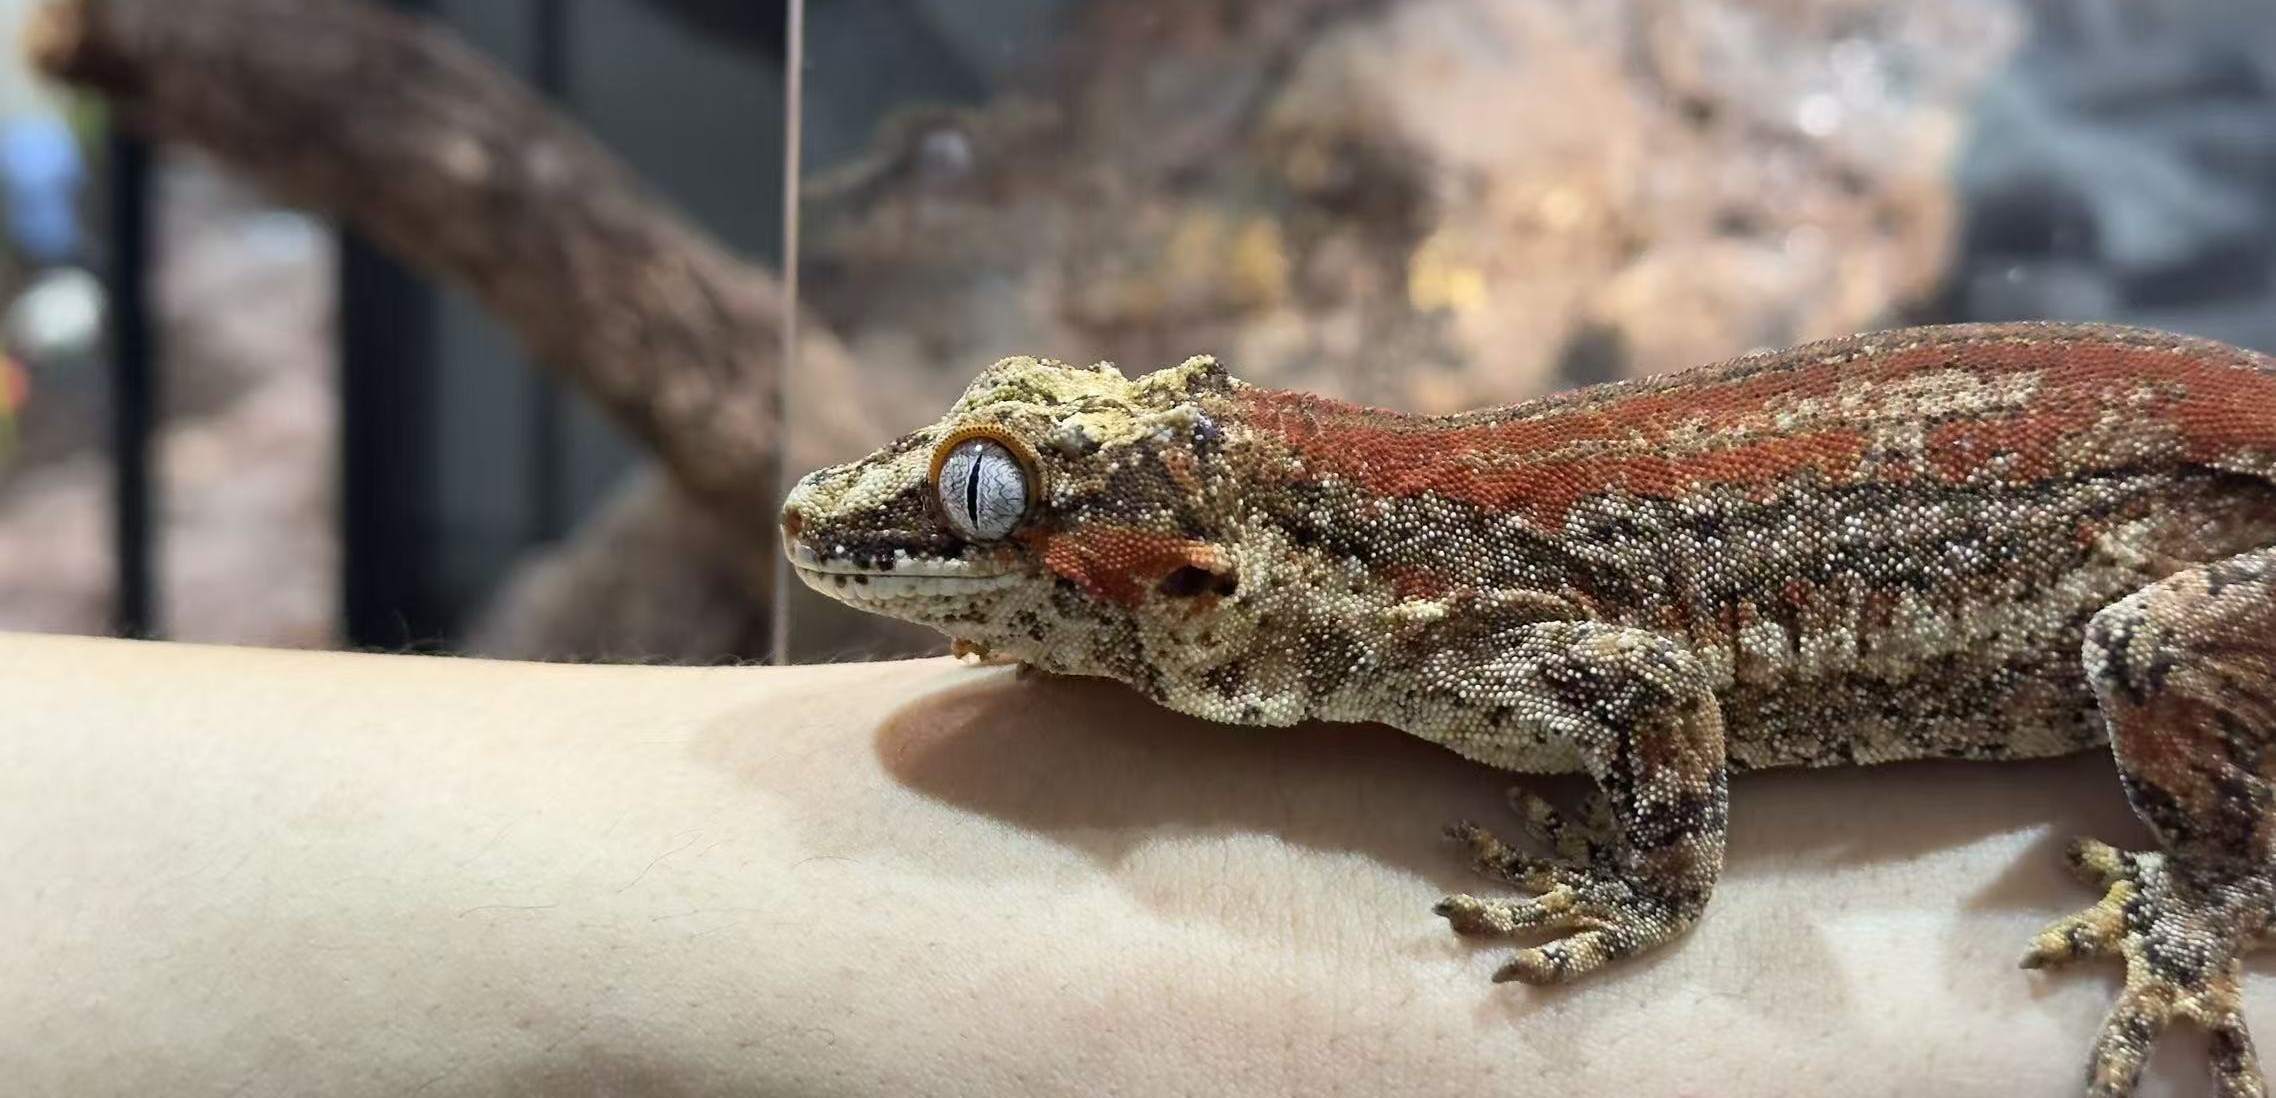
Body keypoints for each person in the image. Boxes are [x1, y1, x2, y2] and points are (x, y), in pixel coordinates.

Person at [0, 631, 2237, 1094]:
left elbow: (1652, 687)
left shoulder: (1450, 614)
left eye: (995, 514)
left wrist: (1653, 911)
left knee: (2150, 654)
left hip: (2159, 549)